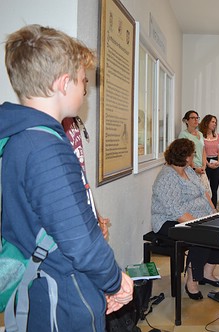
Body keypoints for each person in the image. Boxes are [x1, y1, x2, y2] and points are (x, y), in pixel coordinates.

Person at [0, 24, 132, 331]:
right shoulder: (46, 149)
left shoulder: (22, 137)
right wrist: (115, 282)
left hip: (44, 287)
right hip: (63, 295)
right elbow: (81, 243)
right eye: (83, 82)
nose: (85, 90)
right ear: (63, 84)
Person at [151, 138, 219, 300]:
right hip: (168, 221)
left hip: (193, 216)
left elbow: (204, 192)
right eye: (192, 154)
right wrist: (198, 225)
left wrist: (213, 211)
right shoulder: (167, 176)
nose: (194, 157)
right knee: (203, 235)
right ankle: (192, 280)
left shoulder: (188, 170)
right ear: (185, 157)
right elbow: (175, 210)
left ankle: (207, 272)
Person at [62, 117, 109, 239]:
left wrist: (95, 214)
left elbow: (81, 178)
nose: (83, 99)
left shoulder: (71, 121)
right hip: (70, 221)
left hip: (83, 214)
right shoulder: (54, 126)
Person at [179, 110, 210, 194]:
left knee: (206, 194)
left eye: (197, 118)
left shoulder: (200, 134)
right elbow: (185, 154)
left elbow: (203, 150)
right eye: (193, 118)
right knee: (194, 194)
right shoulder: (183, 135)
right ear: (186, 121)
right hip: (190, 169)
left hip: (201, 168)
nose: (196, 120)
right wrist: (194, 168)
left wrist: (204, 165)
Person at [199, 114, 219, 207]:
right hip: (205, 163)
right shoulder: (200, 136)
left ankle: (214, 210)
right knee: (205, 189)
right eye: (212, 122)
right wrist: (207, 164)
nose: (214, 124)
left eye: (215, 122)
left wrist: (218, 162)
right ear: (206, 122)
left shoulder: (217, 136)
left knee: (214, 189)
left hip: (216, 163)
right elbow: (202, 151)